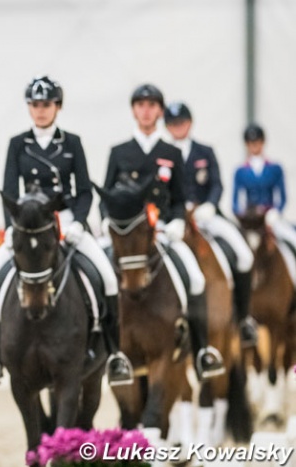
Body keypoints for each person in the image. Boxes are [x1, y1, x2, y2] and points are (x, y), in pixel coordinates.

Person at [0, 75, 133, 387]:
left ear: (57, 106)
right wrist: (11, 228)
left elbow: (85, 190)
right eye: (34, 105)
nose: (40, 111)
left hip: (65, 222)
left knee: (109, 277)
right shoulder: (18, 143)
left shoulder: (71, 142)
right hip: (28, 226)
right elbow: (9, 190)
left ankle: (114, 354)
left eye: (46, 104)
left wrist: (77, 221)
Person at [100, 84, 224, 381]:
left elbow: (179, 196)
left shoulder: (170, 151)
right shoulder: (119, 152)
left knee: (194, 277)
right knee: (100, 277)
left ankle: (202, 350)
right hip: (127, 236)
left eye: (152, 105)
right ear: (134, 111)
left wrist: (178, 220)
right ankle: (104, 349)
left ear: (159, 111)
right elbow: (107, 195)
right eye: (141, 105)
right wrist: (106, 220)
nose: (146, 111)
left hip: (163, 232)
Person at [164, 102, 258, 347]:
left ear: (190, 123)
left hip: (206, 216)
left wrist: (210, 205)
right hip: (174, 219)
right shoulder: (162, 153)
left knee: (244, 255)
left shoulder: (204, 151)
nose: (177, 128)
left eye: (181, 123)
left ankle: (244, 316)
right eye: (173, 124)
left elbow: (216, 183)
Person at [233, 123, 296, 284]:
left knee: (292, 240)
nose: (254, 146)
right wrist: (241, 214)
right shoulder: (240, 171)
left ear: (262, 142)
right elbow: (235, 201)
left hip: (269, 218)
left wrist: (275, 212)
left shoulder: (275, 168)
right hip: (250, 219)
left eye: (257, 142)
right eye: (251, 143)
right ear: (246, 145)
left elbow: (282, 197)